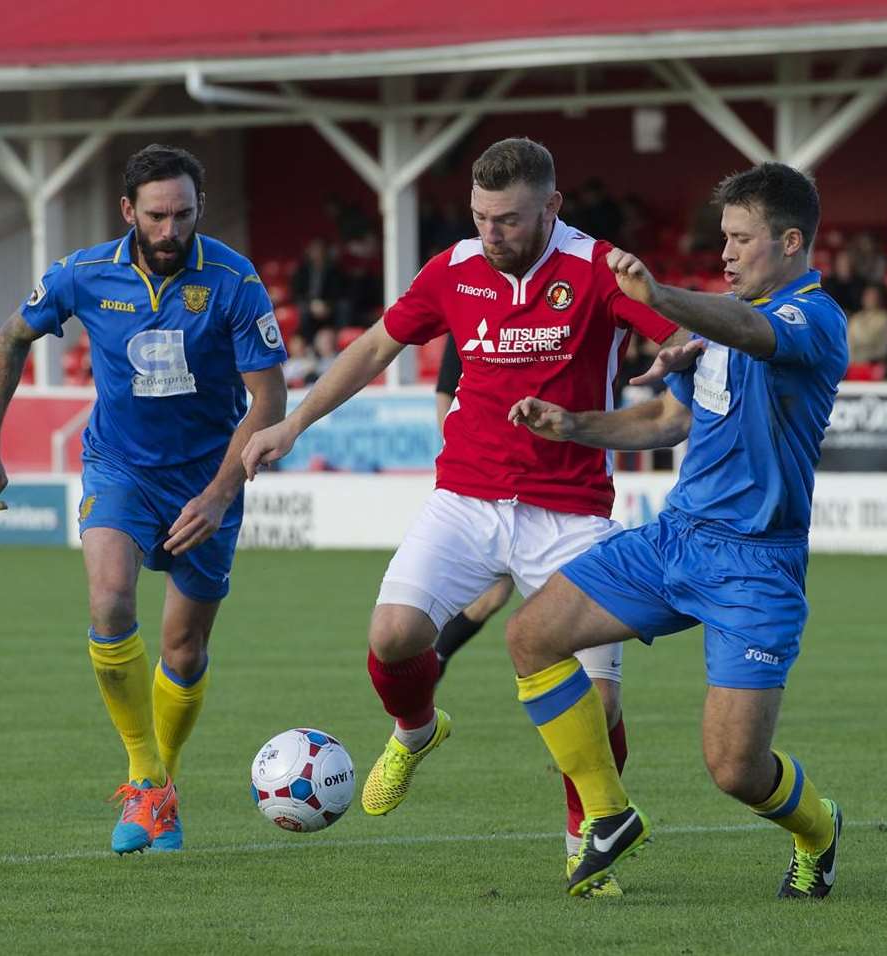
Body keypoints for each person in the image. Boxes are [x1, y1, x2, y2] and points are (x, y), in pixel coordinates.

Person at [241, 138, 680, 894]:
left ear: (552, 207)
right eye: (480, 217)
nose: (491, 234)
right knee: (392, 636)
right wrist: (293, 424)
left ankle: (585, 840)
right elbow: (378, 343)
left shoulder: (600, 269)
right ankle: (415, 731)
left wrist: (676, 353)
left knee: (598, 699)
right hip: (464, 498)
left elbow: (681, 341)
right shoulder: (452, 269)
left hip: (571, 511)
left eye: (508, 220)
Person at [504, 161, 847, 900]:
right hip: (673, 541)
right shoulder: (717, 323)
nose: (724, 253)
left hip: (756, 569)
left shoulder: (812, 320)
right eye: (722, 237)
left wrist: (660, 298)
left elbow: (757, 333)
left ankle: (818, 831)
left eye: (741, 238)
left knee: (735, 771)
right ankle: (608, 812)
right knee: (530, 636)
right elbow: (669, 419)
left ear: (790, 242)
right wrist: (574, 426)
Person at [0, 144, 288, 854]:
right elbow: (12, 338)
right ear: (127, 212)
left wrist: (219, 492)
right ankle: (146, 774)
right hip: (119, 468)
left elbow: (269, 401)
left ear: (198, 208)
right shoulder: (82, 275)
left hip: (209, 479)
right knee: (109, 600)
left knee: (184, 646)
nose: (170, 230)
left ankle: (159, 792)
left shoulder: (233, 281)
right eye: (156, 216)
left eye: (183, 214)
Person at [432, 334, 514, 678]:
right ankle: (434, 659)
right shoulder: (469, 318)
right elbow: (444, 391)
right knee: (494, 595)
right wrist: (459, 452)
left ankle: (435, 658)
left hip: (539, 480)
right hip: (483, 479)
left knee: (496, 596)